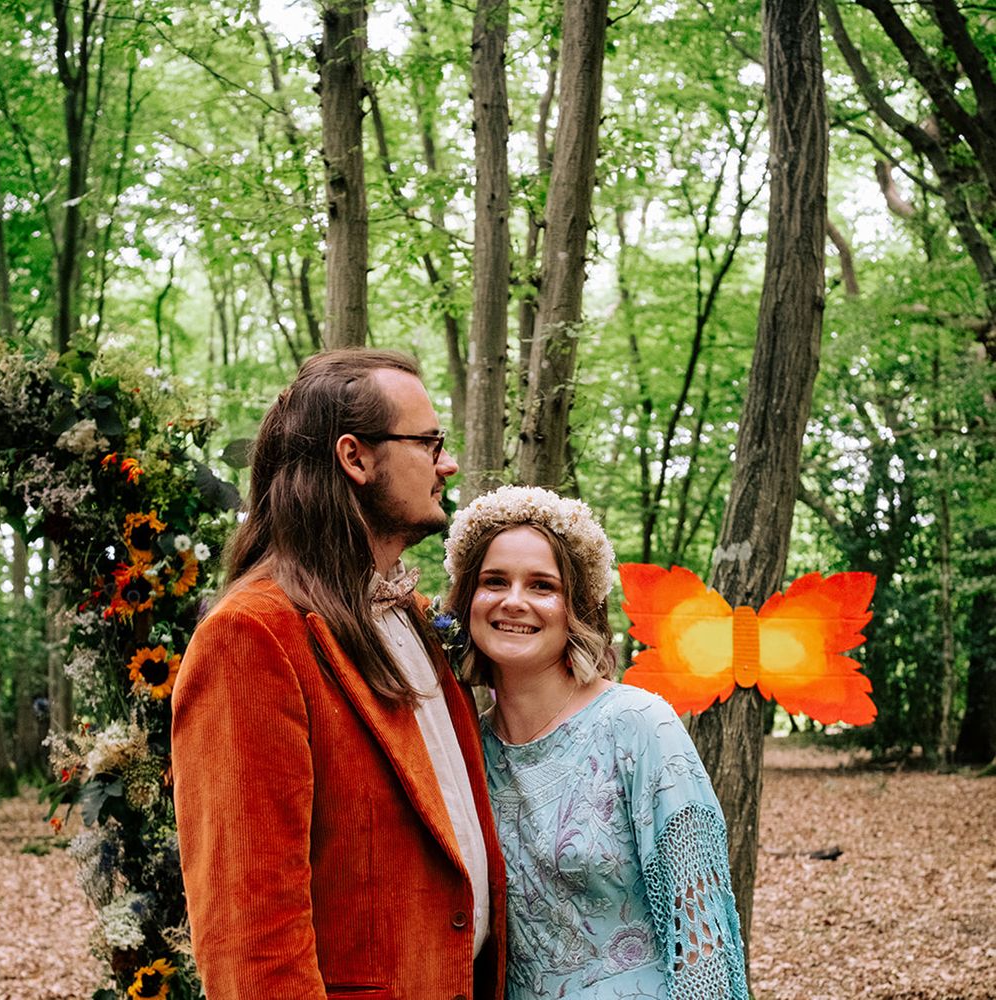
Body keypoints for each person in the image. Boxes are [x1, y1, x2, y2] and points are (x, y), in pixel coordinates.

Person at [172, 349, 506, 1000]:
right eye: (430, 442)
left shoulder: (411, 614)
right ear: (355, 458)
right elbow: (253, 948)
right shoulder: (254, 637)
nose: (449, 463)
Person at [443, 485, 748, 1000]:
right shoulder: (464, 748)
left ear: (575, 609)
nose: (513, 601)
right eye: (495, 581)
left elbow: (703, 944)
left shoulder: (640, 725)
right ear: (468, 597)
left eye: (542, 586)